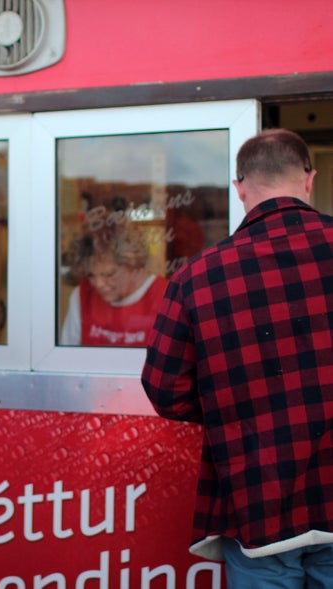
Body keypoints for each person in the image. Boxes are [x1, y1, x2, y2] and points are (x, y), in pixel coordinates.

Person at [141, 128, 333, 588]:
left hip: (256, 500)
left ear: (240, 187)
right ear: (308, 179)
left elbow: (164, 389)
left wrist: (233, 412)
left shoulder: (198, 275)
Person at [60, 220, 166, 346]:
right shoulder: (81, 296)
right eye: (91, 275)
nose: (98, 284)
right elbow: (67, 359)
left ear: (134, 265)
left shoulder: (167, 297)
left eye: (109, 274)